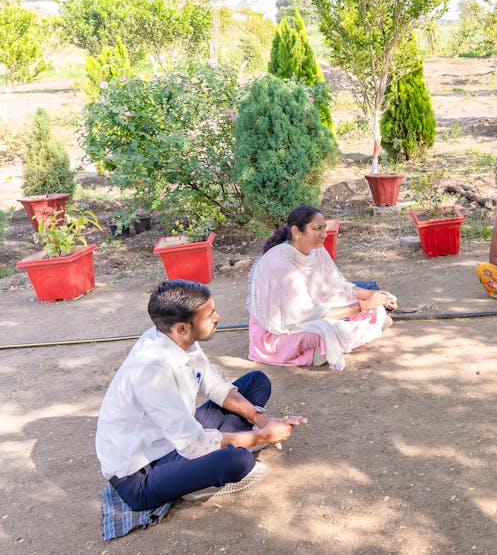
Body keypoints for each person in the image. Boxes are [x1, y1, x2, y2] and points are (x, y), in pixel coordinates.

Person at [96, 280, 307, 511]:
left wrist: (261, 420)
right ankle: (202, 478)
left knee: (256, 383)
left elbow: (215, 385)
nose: (217, 317)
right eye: (210, 315)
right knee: (239, 461)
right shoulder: (152, 370)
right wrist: (263, 437)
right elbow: (192, 444)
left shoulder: (177, 338)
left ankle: (228, 449)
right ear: (182, 327)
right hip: (141, 476)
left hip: (173, 441)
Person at [248, 205, 397, 370]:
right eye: (318, 229)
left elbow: (340, 287)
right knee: (324, 331)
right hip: (282, 331)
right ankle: (325, 347)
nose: (324, 234)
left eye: (324, 228)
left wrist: (376, 295)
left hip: (316, 309)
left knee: (373, 309)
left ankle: (341, 340)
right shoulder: (279, 264)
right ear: (297, 232)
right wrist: (363, 305)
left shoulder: (316, 251)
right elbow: (306, 315)